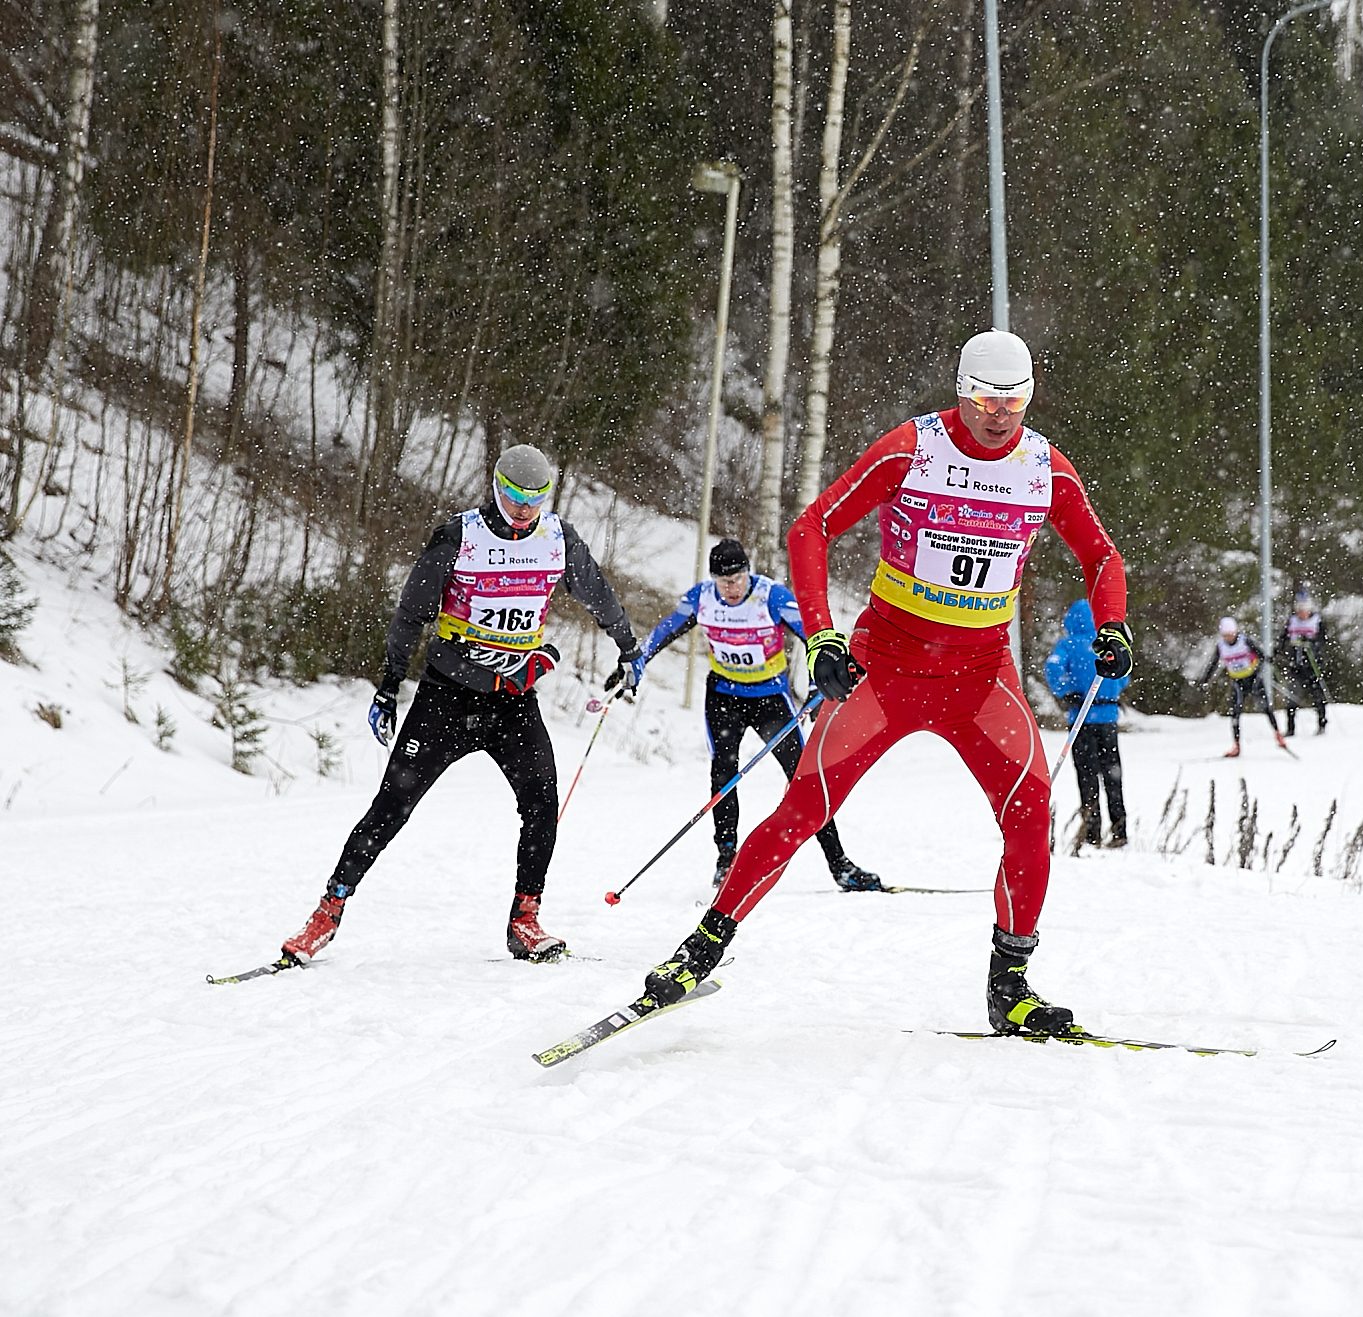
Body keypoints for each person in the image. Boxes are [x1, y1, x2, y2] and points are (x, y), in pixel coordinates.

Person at [631, 330, 1131, 1037]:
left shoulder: (1043, 468)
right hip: (887, 669)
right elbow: (812, 529)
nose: (999, 414)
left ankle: (1010, 986)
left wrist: (1113, 625)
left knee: (1030, 815)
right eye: (986, 399)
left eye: (1014, 400)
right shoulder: (913, 449)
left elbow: (1102, 557)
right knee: (803, 809)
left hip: (980, 679)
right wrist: (823, 636)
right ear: (962, 390)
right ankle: (699, 952)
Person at [276, 445, 640, 967]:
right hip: (447, 696)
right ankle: (326, 913)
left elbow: (599, 595)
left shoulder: (558, 539)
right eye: (514, 497)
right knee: (391, 808)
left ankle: (525, 920)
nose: (524, 510)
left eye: (535, 499)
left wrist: (628, 648)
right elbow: (411, 613)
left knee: (542, 802)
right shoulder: (459, 536)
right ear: (496, 487)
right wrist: (389, 684)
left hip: (512, 702)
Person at [632, 537, 884, 891]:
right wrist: (634, 662)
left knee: (804, 778)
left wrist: (818, 683)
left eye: (737, 580)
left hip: (769, 699)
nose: (731, 589)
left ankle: (840, 865)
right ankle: (726, 861)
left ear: (748, 573)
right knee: (723, 774)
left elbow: (815, 636)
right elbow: (663, 632)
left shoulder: (771, 596)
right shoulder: (702, 598)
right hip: (724, 698)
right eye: (724, 582)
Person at [1044, 598, 1130, 846]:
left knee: (1087, 774)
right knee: (1112, 774)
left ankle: (1092, 831)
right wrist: (1112, 690)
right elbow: (1123, 673)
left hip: (1081, 716)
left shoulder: (1067, 645)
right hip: (1107, 717)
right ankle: (1120, 829)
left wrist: (1066, 690)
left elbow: (1053, 668)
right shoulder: (1106, 644)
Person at [1199, 617, 1287, 757]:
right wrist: (1205, 680)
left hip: (1253, 678)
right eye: (1226, 634)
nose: (1229, 637)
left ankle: (1278, 736)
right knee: (1235, 713)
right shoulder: (1221, 646)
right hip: (1237, 682)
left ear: (1235, 631)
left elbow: (1259, 653)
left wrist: (1268, 659)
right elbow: (1213, 664)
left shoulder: (1244, 640)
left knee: (1266, 708)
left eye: (1230, 633)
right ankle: (1236, 745)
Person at [1282, 590, 1330, 737]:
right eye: (1299, 610)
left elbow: (1323, 640)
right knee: (1292, 697)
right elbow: (1283, 639)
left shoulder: (1317, 620)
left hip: (1313, 665)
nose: (1301, 613)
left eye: (1304, 610)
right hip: (1296, 666)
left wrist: (1311, 642)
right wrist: (1274, 653)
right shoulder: (1292, 621)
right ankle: (1291, 728)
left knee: (1317, 696)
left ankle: (1321, 724)